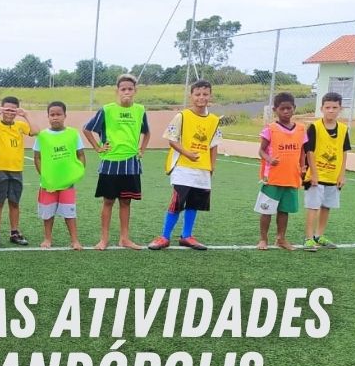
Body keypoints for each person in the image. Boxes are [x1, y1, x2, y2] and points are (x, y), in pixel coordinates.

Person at [148, 80, 221, 251]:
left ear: (210, 96)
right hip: (183, 168)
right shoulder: (182, 116)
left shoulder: (214, 120)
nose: (201, 97)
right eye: (197, 94)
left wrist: (212, 167)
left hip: (202, 169)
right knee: (177, 202)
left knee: (194, 203)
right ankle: (164, 237)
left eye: (205, 94)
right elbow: (172, 140)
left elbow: (214, 145)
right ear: (191, 96)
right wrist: (187, 153)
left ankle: (186, 236)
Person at [82, 74, 150, 250]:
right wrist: (98, 148)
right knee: (108, 201)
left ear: (135, 91)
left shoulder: (140, 110)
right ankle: (103, 239)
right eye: (123, 89)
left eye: (130, 89)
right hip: (110, 163)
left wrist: (142, 149)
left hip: (131, 164)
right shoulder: (107, 110)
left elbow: (146, 132)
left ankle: (124, 239)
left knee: (126, 202)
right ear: (117, 91)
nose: (126, 92)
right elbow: (87, 129)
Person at [255, 91, 306, 251]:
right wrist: (269, 159)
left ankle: (281, 239)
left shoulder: (301, 129)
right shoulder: (270, 129)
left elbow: (302, 151)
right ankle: (263, 239)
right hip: (273, 178)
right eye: (282, 109)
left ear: (294, 109)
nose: (286, 112)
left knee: (284, 211)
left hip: (291, 177)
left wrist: (303, 166)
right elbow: (261, 151)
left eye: (289, 108)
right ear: (275, 110)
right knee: (267, 210)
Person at [33, 101, 86, 250]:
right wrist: (45, 176)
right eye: (52, 114)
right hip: (48, 184)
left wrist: (77, 173)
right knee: (48, 213)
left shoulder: (73, 134)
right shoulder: (42, 135)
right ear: (48, 116)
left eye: (58, 114)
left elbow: (81, 155)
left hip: (67, 184)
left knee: (70, 213)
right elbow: (37, 157)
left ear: (65, 116)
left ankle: (75, 240)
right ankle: (47, 239)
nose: (55, 117)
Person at [302, 91, 350, 251]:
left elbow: (344, 153)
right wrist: (314, 173)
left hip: (333, 176)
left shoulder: (343, 129)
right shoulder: (315, 127)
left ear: (340, 109)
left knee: (326, 206)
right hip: (316, 176)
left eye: (334, 107)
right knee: (313, 206)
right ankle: (308, 238)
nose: (331, 110)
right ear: (321, 108)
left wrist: (342, 174)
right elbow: (310, 151)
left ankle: (319, 235)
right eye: (327, 107)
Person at [0, 96, 36, 248]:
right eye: (6, 109)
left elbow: (36, 131)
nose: (9, 112)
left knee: (14, 203)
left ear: (16, 111)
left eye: (12, 110)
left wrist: (26, 115)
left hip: (16, 170)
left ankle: (14, 232)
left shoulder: (20, 125)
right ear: (2, 109)